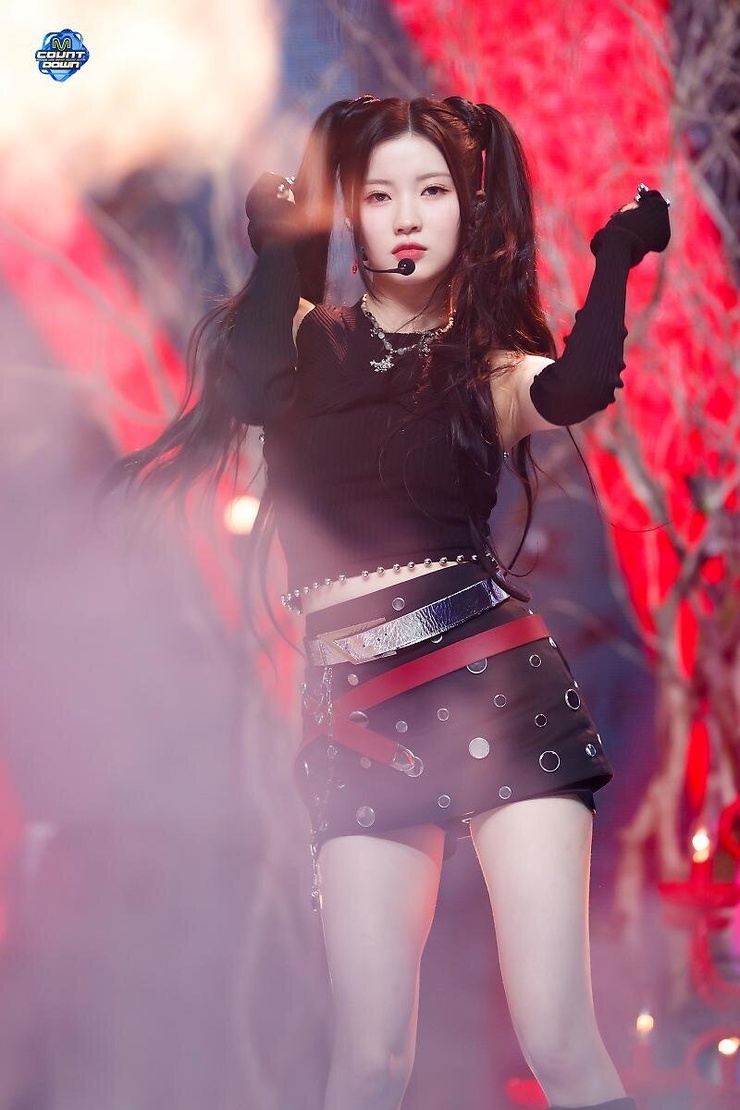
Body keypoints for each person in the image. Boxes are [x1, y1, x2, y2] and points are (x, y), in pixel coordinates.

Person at [115, 95, 670, 1110]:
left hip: (498, 690)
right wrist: (281, 244)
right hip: (355, 715)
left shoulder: (488, 368)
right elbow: (248, 381)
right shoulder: (293, 343)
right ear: (350, 213)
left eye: (432, 192)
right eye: (378, 195)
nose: (407, 216)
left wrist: (615, 256)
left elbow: (581, 386)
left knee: (556, 1039)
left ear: (468, 210)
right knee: (368, 1063)